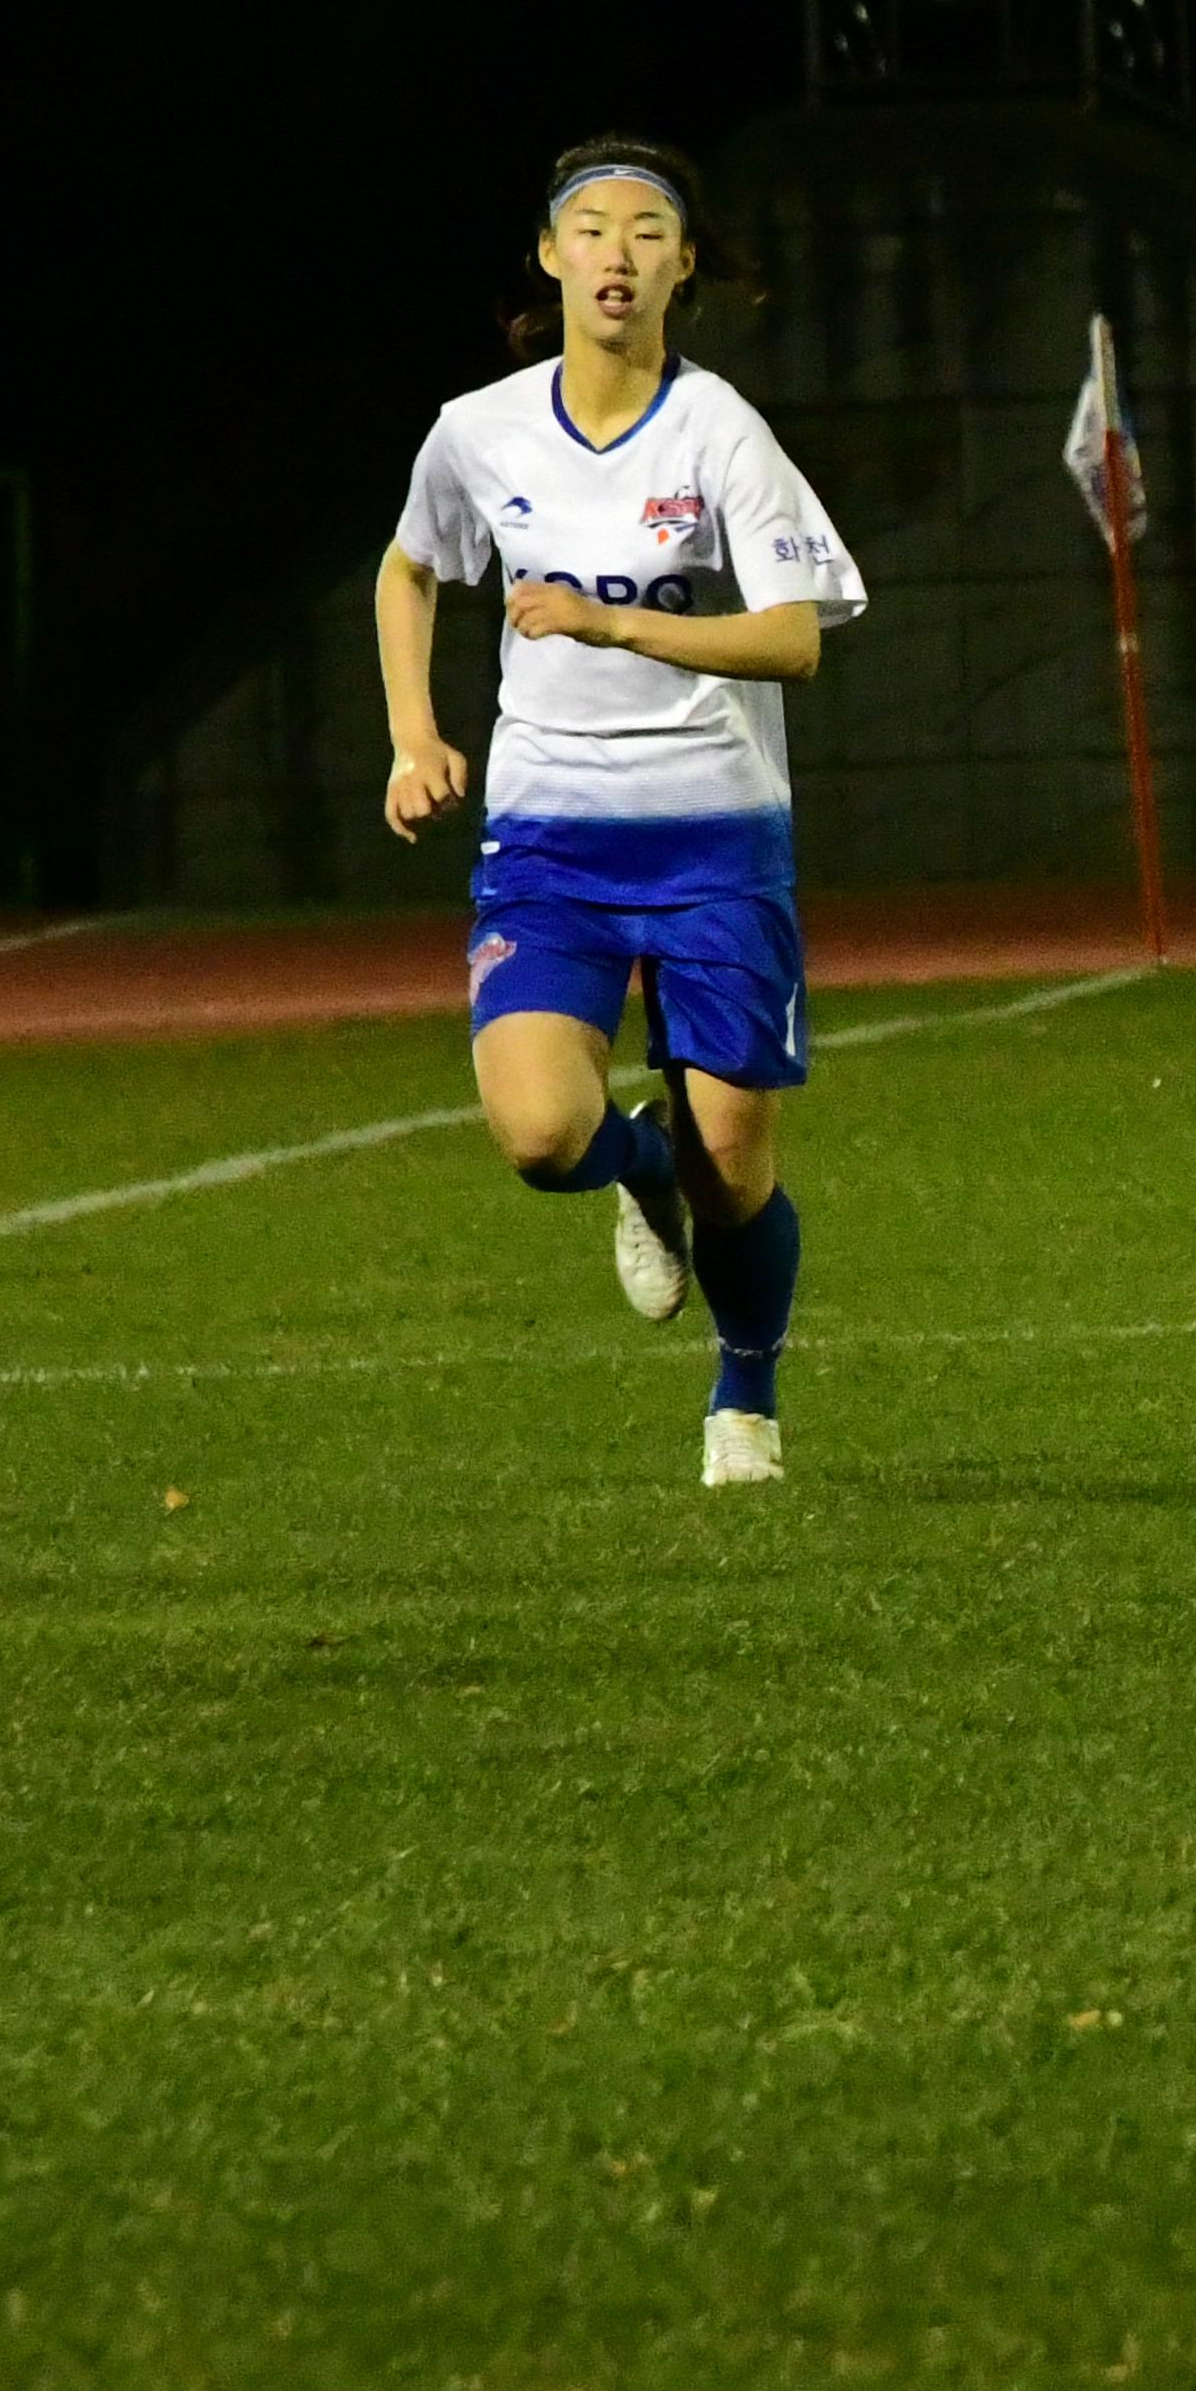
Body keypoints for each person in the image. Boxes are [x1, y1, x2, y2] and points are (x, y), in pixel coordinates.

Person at [378, 138, 869, 1489]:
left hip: (715, 837)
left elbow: (793, 641)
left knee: (738, 1174)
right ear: (550, 256)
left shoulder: (722, 432)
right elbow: (411, 567)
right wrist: (415, 734)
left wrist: (612, 624)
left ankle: (746, 1396)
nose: (616, 252)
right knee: (542, 1137)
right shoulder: (478, 430)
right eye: (589, 229)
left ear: (684, 265)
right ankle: (634, 1168)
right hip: (549, 838)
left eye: (648, 232)